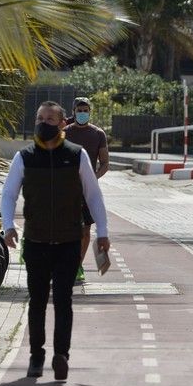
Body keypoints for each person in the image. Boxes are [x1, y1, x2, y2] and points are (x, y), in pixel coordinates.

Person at [1, 101, 110, 381]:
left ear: (63, 123)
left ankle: (61, 354)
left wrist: (103, 234)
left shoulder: (76, 155)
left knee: (63, 300)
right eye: (40, 118)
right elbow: (9, 194)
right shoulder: (24, 156)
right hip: (35, 241)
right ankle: (36, 355)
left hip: (68, 241)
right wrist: (8, 226)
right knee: (36, 301)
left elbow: (93, 195)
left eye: (50, 119)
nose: (44, 123)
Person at [64, 97, 109, 286]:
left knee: (85, 230)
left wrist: (93, 178)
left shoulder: (98, 134)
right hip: (67, 191)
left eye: (86, 110)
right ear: (73, 111)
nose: (83, 113)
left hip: (88, 192)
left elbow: (105, 163)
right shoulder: (65, 132)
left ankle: (77, 266)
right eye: (79, 110)